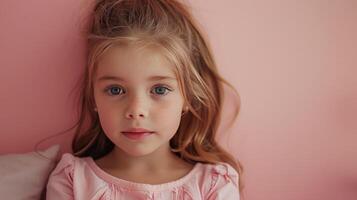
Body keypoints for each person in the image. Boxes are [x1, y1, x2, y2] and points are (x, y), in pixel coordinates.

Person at [45, 0, 244, 199]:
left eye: (159, 89)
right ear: (93, 97)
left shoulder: (213, 185)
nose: (136, 110)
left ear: (188, 97)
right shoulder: (73, 180)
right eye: (115, 90)